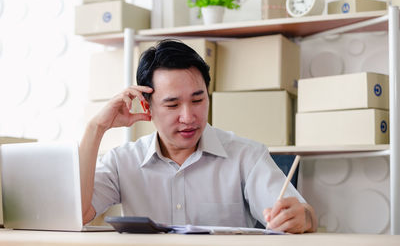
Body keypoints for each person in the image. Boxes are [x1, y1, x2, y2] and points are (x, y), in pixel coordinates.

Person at [79, 39, 317, 233]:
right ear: (147, 106)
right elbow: (79, 214)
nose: (188, 116)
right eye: (172, 105)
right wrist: (95, 128)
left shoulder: (246, 156)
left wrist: (301, 217)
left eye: (198, 100)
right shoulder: (123, 161)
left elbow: (305, 215)